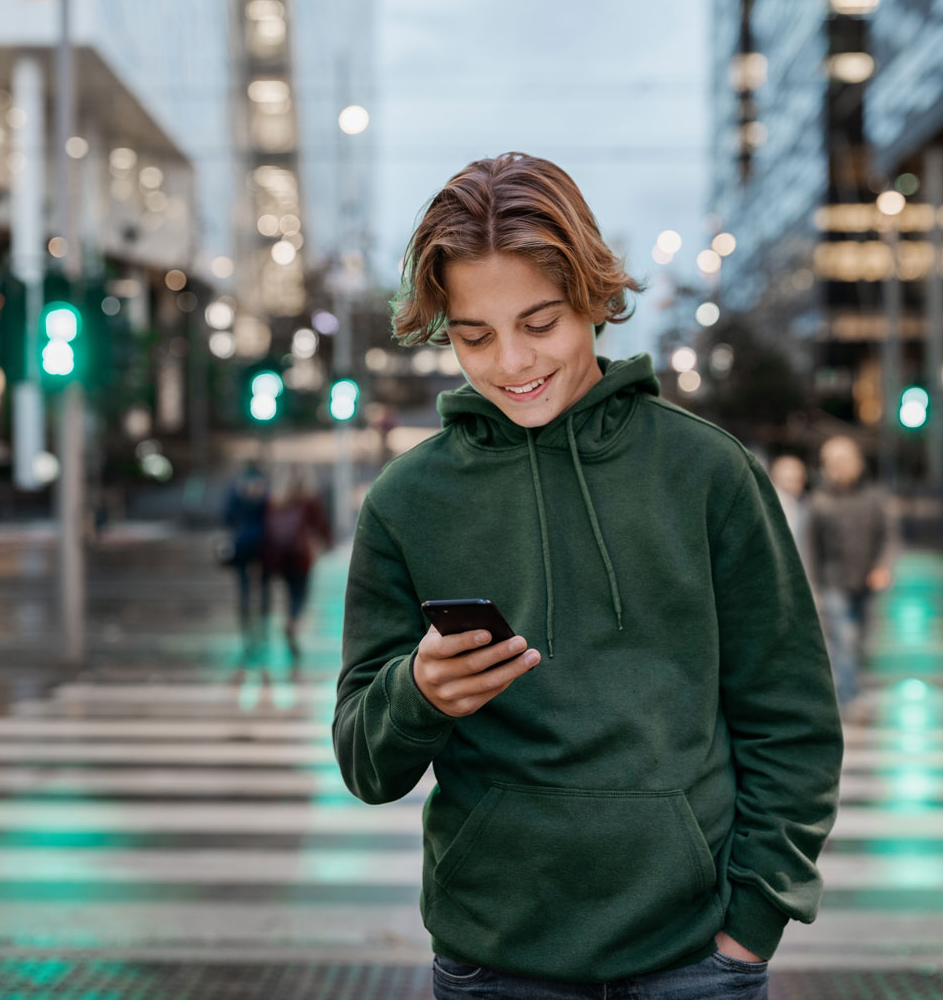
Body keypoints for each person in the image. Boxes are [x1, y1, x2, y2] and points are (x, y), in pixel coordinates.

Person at [333, 152, 841, 999]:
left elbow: (791, 722)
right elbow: (363, 760)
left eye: (540, 323)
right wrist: (417, 694)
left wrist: (752, 927)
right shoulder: (405, 500)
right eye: (474, 334)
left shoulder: (709, 473)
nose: (509, 363)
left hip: (693, 965)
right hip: (494, 963)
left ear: (595, 300)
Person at [807, 435, 898, 721]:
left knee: (861, 643)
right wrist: (813, 588)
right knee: (844, 640)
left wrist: (883, 566)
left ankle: (847, 687)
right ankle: (847, 698)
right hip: (834, 582)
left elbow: (889, 538)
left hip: (866, 583)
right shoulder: (819, 502)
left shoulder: (874, 498)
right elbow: (810, 548)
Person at [259, 467, 331, 666]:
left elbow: (266, 528)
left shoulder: (275, 500)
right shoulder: (309, 500)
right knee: (301, 595)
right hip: (302, 557)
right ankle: (292, 621)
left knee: (290, 592)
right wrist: (327, 543)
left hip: (280, 558)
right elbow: (321, 525)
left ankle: (290, 618)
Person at [221, 461, 269, 657]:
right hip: (263, 543)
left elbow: (226, 516)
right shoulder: (264, 491)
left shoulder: (236, 490)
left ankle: (246, 628)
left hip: (241, 543)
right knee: (264, 586)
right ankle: (263, 628)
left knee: (244, 587)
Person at [769, 454, 814, 588]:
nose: (794, 483)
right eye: (788, 479)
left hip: (800, 573)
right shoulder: (766, 505)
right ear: (775, 478)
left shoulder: (807, 504)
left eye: (797, 479)